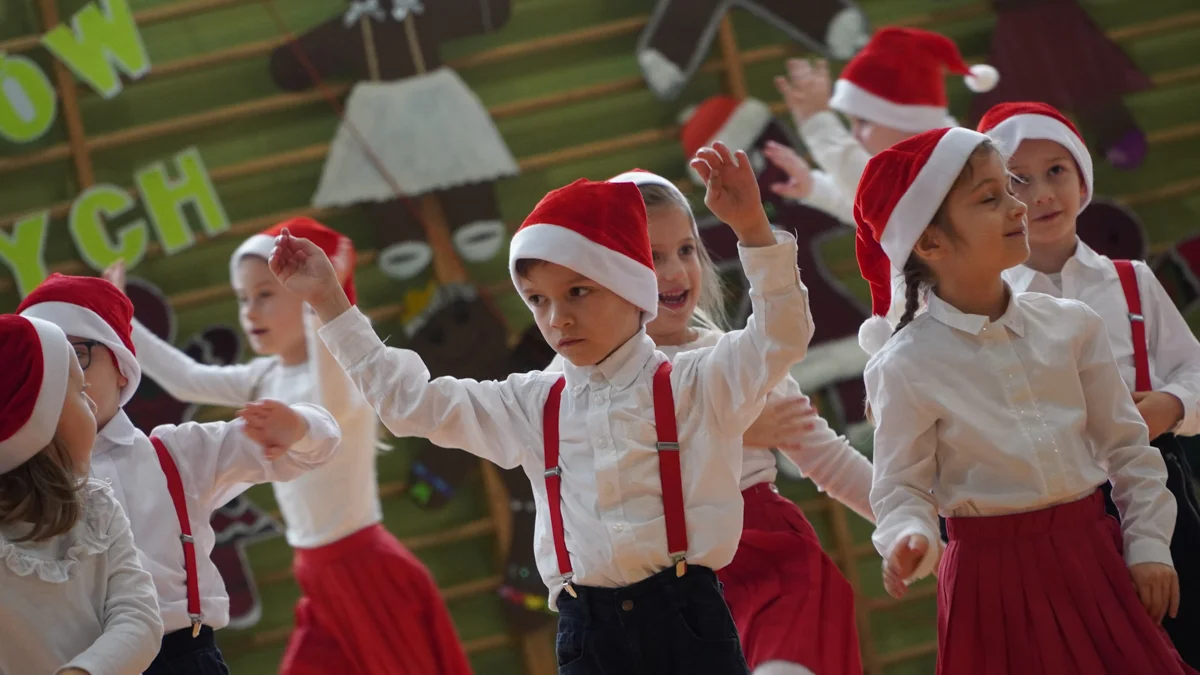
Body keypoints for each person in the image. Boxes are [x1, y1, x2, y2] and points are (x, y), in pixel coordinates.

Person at [271, 143, 814, 675]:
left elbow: (782, 335)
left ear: (633, 286)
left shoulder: (698, 380)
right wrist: (329, 303)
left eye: (578, 292)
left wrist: (753, 231)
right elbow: (410, 403)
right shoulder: (532, 403)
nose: (557, 319)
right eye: (538, 300)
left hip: (687, 623)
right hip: (586, 633)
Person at [856, 127, 1194, 674]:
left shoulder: (1073, 327)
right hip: (988, 588)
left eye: (1007, 189)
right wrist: (909, 537)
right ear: (930, 243)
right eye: (991, 198)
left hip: (1095, 560)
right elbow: (899, 488)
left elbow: (1128, 449)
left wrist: (1150, 546)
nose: (1019, 207)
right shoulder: (903, 365)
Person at [540, 169, 872, 675]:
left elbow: (827, 457)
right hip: (657, 584)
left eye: (686, 250)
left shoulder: (734, 357)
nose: (675, 272)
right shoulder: (572, 379)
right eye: (652, 257)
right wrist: (722, 431)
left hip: (769, 561)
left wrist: (916, 524)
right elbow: (590, 477)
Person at [105, 218, 471, 675]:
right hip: (317, 578)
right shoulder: (264, 376)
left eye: (265, 294)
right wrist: (121, 316)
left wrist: (327, 294)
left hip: (364, 573)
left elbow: (330, 386)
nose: (249, 311)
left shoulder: (344, 378)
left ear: (308, 291)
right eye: (242, 299)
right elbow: (186, 378)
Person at [17, 273, 343, 674]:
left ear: (122, 367)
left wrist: (297, 425)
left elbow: (318, 445)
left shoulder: (175, 454)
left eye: (78, 354)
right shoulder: (20, 482)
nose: (71, 377)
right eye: (51, 364)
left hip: (185, 659)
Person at [981, 100, 1200, 668]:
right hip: (1055, 517)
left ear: (1083, 177)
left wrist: (1172, 406)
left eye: (1057, 170)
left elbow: (1193, 371)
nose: (1042, 195)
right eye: (1017, 181)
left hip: (1161, 494)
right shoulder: (985, 304)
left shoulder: (1134, 281)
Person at [768, 28, 997, 324]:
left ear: (906, 118)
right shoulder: (931, 165)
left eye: (863, 121)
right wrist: (815, 188)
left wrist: (817, 123)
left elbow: (873, 191)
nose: (854, 136)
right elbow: (877, 216)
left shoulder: (953, 165)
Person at [0, 314, 163, 675]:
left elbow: (139, 616)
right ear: (39, 416)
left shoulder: (98, 509)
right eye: (79, 392)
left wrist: (85, 671)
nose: (91, 405)